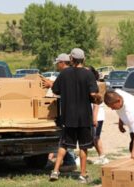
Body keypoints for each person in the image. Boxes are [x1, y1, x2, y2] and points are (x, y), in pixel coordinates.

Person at [49, 48, 102, 183]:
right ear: (83, 59)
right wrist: (98, 97)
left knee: (64, 144)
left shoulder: (64, 73)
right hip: (84, 117)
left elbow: (55, 90)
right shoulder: (88, 74)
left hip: (68, 117)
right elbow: (93, 95)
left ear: (71, 60)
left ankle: (55, 171)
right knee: (83, 146)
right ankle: (83, 175)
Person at [44, 53, 77, 172]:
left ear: (62, 63)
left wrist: (50, 84)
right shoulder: (76, 72)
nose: (57, 66)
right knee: (69, 137)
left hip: (68, 111)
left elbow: (58, 89)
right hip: (76, 111)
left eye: (58, 63)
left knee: (66, 137)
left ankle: (70, 161)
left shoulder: (64, 74)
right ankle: (70, 160)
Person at [86, 66, 109, 165]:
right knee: (91, 137)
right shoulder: (89, 84)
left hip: (97, 116)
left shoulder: (95, 85)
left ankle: (103, 157)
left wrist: (94, 118)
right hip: (93, 115)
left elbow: (96, 104)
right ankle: (101, 156)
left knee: (95, 137)